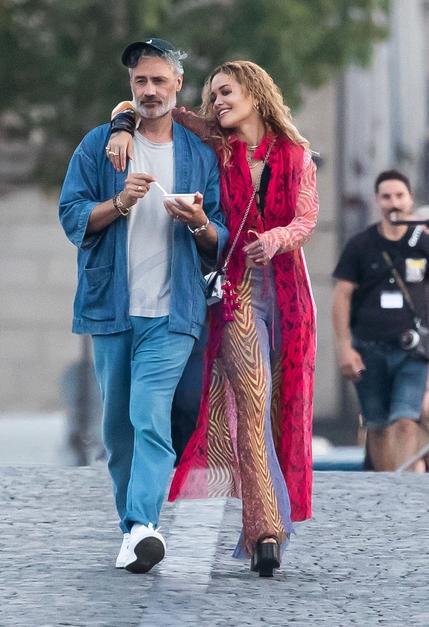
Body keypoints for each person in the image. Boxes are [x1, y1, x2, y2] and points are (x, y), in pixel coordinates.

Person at [107, 60, 318, 577]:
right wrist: (120, 126)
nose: (218, 102)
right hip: (238, 290)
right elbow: (145, 104)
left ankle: (267, 523)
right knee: (251, 402)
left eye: (227, 92)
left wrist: (277, 238)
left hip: (288, 295)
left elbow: (306, 217)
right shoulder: (215, 146)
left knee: (281, 407)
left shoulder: (296, 154)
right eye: (213, 95)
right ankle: (265, 532)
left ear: (256, 94)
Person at [59, 38, 228, 574]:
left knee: (149, 415)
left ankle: (143, 526)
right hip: (111, 307)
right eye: (140, 81)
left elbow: (221, 234)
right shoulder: (101, 145)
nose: (149, 90)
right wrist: (120, 202)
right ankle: (132, 530)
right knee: (118, 428)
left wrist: (199, 224)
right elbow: (71, 215)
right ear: (130, 88)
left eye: (158, 80)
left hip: (175, 310)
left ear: (178, 83)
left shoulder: (199, 155)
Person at [332, 169, 429, 473]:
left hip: (413, 350)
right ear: (377, 200)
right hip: (368, 349)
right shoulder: (360, 244)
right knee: (376, 425)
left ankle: (403, 490)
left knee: (406, 421)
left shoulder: (424, 243)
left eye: (399, 195)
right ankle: (383, 488)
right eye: (386, 197)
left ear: (410, 198)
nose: (393, 202)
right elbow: (342, 296)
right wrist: (344, 348)